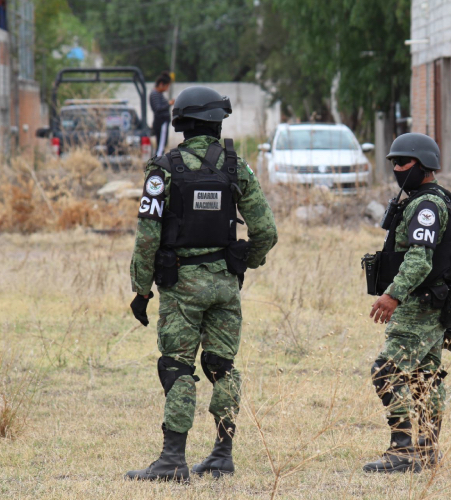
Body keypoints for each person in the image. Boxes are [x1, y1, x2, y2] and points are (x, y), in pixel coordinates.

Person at [125, 86, 278, 482]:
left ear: (182, 123)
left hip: (181, 286)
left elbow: (147, 236)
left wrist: (141, 289)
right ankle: (221, 455)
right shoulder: (235, 167)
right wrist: (244, 263)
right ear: (215, 121)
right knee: (222, 366)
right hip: (226, 285)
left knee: (176, 367)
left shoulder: (163, 170)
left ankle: (173, 460)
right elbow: (266, 230)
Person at [362, 133, 451, 473]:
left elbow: (420, 261)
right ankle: (426, 451)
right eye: (393, 161)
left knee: (387, 371)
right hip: (437, 302)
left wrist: (393, 294)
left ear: (422, 165)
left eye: (403, 162)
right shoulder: (440, 200)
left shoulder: (426, 205)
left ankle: (403, 454)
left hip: (420, 304)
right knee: (425, 377)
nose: (396, 167)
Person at [150, 71, 174, 156]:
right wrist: (169, 104)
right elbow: (157, 108)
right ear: (161, 84)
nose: (167, 89)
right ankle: (158, 162)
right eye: (167, 86)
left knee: (162, 144)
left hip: (163, 122)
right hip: (161, 122)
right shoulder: (155, 94)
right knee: (161, 146)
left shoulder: (159, 94)